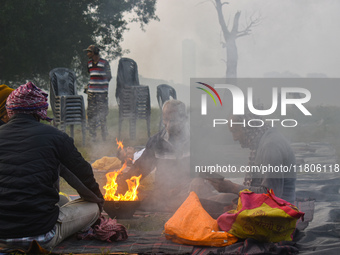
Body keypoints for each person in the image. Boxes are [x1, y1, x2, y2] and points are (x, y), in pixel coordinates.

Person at [0, 82, 104, 251]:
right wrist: (99, 201)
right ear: (39, 111)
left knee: (62, 200)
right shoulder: (56, 137)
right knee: (92, 206)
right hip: (40, 236)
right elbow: (83, 175)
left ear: (10, 109)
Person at [118, 99, 191, 211]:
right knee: (142, 201)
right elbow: (140, 168)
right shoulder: (156, 141)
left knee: (198, 193)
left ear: (184, 119)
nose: (169, 124)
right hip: (163, 193)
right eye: (166, 120)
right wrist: (121, 185)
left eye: (174, 120)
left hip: (189, 191)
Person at [208, 112, 297, 204]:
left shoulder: (270, 146)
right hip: (266, 207)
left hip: (279, 212)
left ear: (248, 127)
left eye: (235, 131)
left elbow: (272, 196)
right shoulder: (262, 141)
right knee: (218, 200)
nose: (235, 138)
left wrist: (232, 187)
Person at [84, 44, 112, 142]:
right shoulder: (89, 64)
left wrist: (101, 85)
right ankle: (93, 137)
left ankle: (104, 136)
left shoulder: (104, 63)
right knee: (91, 115)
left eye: (89, 52)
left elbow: (109, 77)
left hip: (102, 95)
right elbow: (91, 76)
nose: (87, 54)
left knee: (102, 115)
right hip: (91, 94)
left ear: (95, 52)